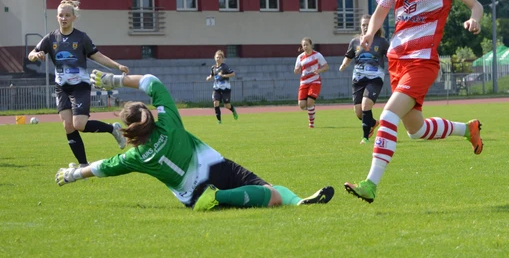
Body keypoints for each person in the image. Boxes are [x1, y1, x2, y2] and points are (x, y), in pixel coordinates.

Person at [55, 70, 335, 211]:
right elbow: (152, 82)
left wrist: (72, 175)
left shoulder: (135, 157)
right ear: (150, 115)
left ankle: (299, 202)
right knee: (270, 194)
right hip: (217, 167)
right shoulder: (168, 123)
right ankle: (290, 201)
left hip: (194, 195)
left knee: (269, 192)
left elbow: (102, 167)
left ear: (129, 130)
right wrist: (114, 79)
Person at [344, 0, 484, 204]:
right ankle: (468, 130)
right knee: (416, 130)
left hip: (422, 62)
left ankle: (370, 184)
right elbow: (380, 13)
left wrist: (474, 19)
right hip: (397, 61)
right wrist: (370, 33)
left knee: (387, 114)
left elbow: (475, 5)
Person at [28, 0, 129, 167]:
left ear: (74, 17)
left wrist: (117, 65)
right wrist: (36, 55)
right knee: (68, 126)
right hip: (61, 87)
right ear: (57, 17)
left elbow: (98, 55)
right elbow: (32, 53)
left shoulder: (81, 38)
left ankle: (113, 129)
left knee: (79, 125)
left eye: (67, 15)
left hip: (80, 86)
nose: (64, 18)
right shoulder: (51, 38)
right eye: (61, 15)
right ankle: (83, 165)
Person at [339, 14, 389, 144]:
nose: (365, 27)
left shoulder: (382, 42)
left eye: (368, 24)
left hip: (375, 78)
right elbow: (349, 56)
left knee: (366, 104)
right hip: (358, 79)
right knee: (359, 112)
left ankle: (365, 138)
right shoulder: (355, 41)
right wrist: (343, 65)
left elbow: (391, 57)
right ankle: (373, 123)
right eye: (363, 25)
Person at [294, 38, 329, 128]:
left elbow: (326, 67)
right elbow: (296, 70)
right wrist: (297, 70)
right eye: (303, 45)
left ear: (311, 45)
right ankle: (311, 109)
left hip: (315, 81)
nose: (305, 47)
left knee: (309, 102)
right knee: (302, 105)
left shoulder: (317, 55)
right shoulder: (300, 57)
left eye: (307, 44)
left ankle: (311, 124)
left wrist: (319, 70)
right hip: (304, 82)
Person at [205, 50, 238, 124]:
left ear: (222, 59)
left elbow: (232, 74)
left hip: (225, 88)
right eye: (217, 57)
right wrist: (209, 78)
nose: (218, 59)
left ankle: (233, 110)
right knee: (215, 103)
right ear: (214, 58)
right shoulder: (213, 68)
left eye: (219, 58)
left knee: (227, 105)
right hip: (216, 88)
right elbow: (212, 75)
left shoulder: (225, 66)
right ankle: (219, 120)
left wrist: (223, 75)